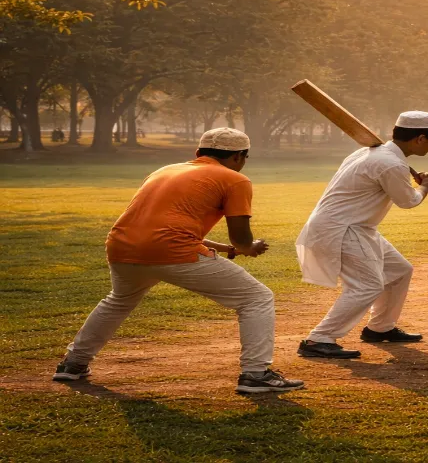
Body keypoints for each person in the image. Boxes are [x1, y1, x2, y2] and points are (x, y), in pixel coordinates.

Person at [54, 128, 302, 393]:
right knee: (256, 298)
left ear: (198, 153)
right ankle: (256, 374)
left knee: (118, 301)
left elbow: (160, 227)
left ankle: (73, 364)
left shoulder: (165, 170)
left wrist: (228, 249)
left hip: (122, 247)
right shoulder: (233, 179)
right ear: (239, 156)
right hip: (172, 250)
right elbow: (241, 238)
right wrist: (247, 248)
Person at [295, 111, 428, 360]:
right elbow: (408, 201)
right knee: (367, 285)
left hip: (357, 227)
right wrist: (425, 187)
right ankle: (318, 339)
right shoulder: (390, 162)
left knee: (399, 271)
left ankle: (380, 328)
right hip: (343, 228)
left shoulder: (372, 153)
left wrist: (413, 181)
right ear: (419, 139)